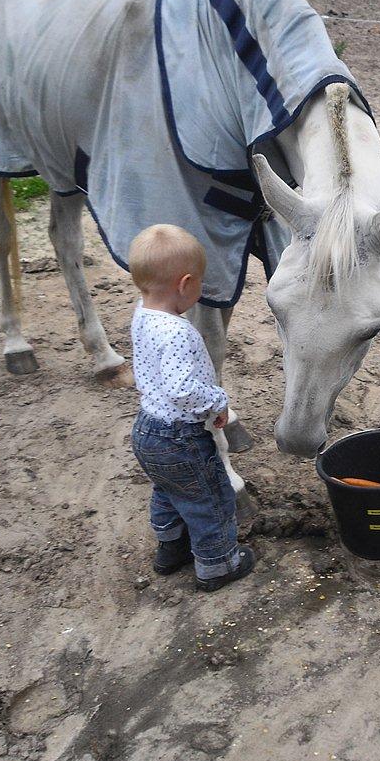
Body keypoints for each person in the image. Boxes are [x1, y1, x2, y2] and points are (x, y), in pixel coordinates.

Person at [128, 224, 255, 592]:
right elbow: (182, 389)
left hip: (147, 428)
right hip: (180, 436)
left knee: (169, 490)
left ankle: (171, 548)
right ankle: (218, 565)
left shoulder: (142, 313)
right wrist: (218, 402)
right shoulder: (178, 333)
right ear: (185, 285)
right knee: (210, 498)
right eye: (199, 282)